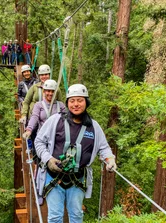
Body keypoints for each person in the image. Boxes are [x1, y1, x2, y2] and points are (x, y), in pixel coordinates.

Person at [34, 84, 117, 223]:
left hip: (77, 179)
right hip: (53, 176)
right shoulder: (56, 120)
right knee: (55, 217)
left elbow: (103, 148)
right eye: (72, 101)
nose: (76, 104)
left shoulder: (93, 127)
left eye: (80, 100)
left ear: (86, 102)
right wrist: (48, 159)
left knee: (77, 216)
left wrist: (110, 160)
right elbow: (39, 141)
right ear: (67, 103)